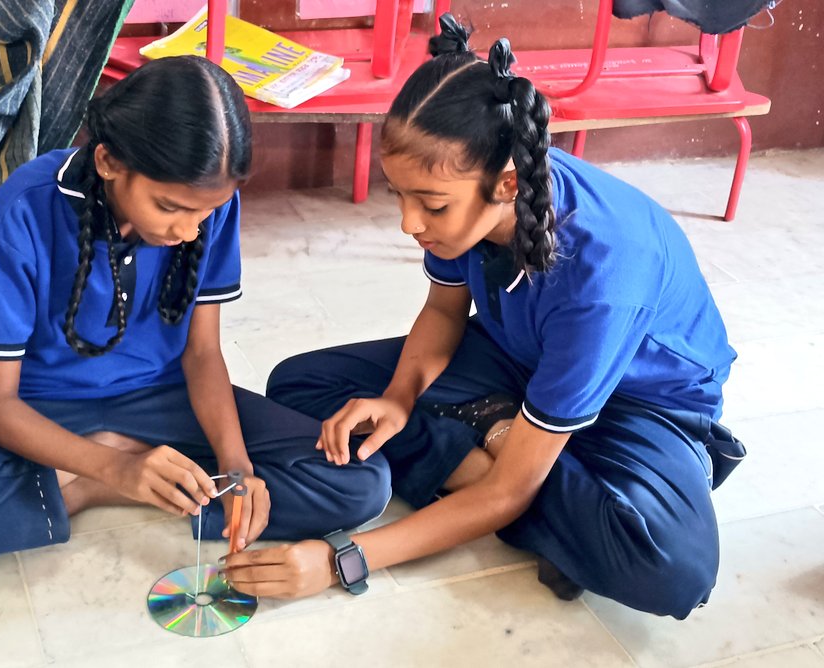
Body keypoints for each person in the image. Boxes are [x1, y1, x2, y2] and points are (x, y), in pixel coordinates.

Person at [222, 17, 745, 620]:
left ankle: (517, 451)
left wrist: (343, 558)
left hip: (641, 403)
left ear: (507, 184)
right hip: (517, 362)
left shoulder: (603, 277)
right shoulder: (465, 205)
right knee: (301, 385)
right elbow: (444, 310)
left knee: (669, 569)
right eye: (400, 194)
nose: (409, 223)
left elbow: (509, 490)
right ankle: (514, 447)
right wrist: (398, 396)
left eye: (431, 204)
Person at [0, 56, 390, 577]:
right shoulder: (22, 213)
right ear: (108, 162)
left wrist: (238, 469)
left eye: (207, 211)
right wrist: (109, 468)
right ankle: (85, 487)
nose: (189, 230)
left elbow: (201, 354)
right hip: (38, 411)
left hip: (164, 400)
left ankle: (110, 479)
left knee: (362, 483)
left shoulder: (207, 207)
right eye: (170, 208)